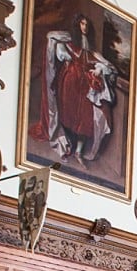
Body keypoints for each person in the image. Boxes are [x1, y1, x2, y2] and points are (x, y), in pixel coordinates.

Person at [31, 12, 118, 167]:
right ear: (77, 25)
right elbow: (55, 44)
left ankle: (79, 151)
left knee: (86, 119)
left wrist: (99, 69)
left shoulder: (90, 50)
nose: (84, 27)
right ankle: (68, 144)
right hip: (70, 84)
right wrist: (64, 56)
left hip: (85, 88)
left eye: (87, 25)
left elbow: (108, 66)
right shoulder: (69, 44)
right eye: (82, 24)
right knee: (67, 114)